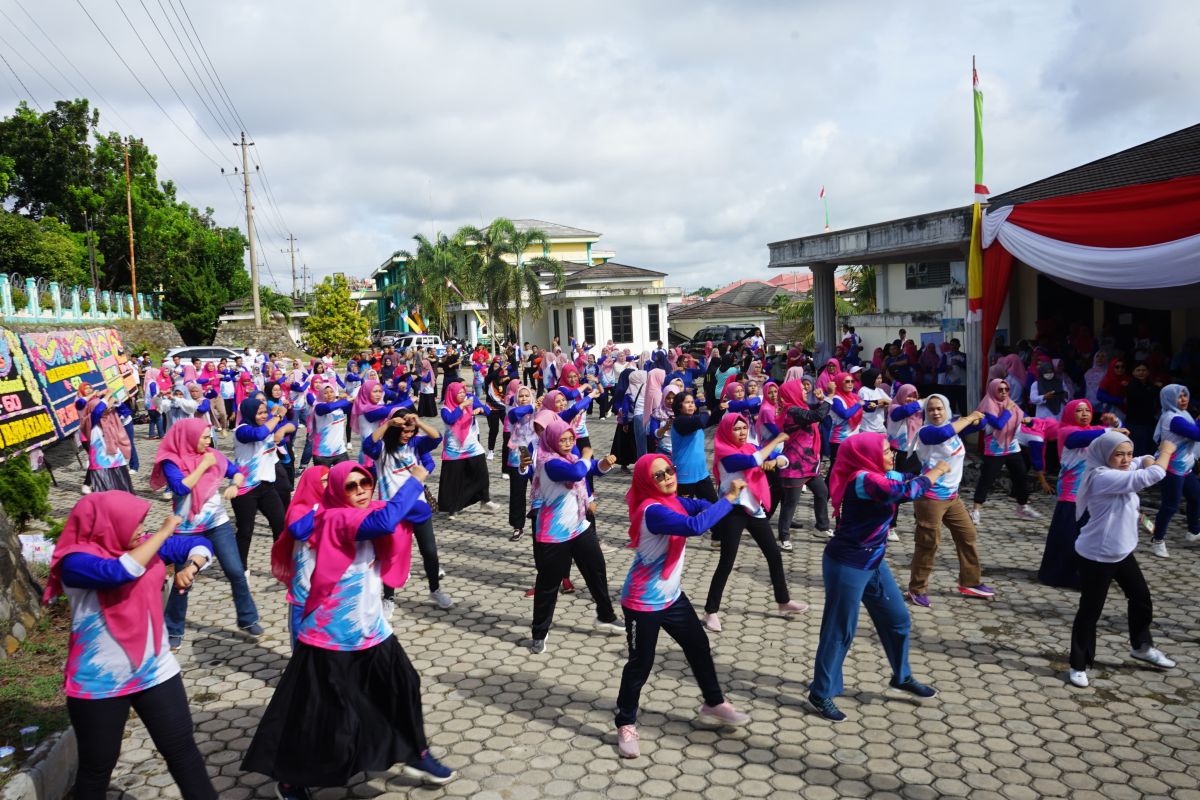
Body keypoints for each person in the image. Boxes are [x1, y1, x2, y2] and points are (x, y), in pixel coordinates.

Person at [242, 463, 454, 796]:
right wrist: (414, 480)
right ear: (337, 491)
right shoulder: (332, 518)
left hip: (372, 631)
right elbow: (387, 519)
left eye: (365, 484)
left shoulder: (367, 511)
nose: (359, 491)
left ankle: (416, 752)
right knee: (323, 715)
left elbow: (418, 510)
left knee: (404, 686)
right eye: (351, 486)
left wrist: (394, 496)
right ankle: (291, 779)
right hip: (330, 636)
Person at [47, 494, 217, 799]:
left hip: (156, 672)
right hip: (100, 683)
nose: (141, 527)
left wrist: (192, 566)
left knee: (182, 752)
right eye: (135, 521)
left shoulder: (145, 545)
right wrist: (164, 533)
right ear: (107, 523)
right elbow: (118, 573)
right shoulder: (75, 560)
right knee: (97, 769)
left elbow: (202, 544)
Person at [613, 453, 754, 757]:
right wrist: (727, 500)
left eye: (669, 471)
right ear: (645, 483)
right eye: (658, 476)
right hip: (642, 602)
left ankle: (714, 702)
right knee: (641, 664)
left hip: (672, 596)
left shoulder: (673, 500)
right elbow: (694, 526)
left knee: (699, 645)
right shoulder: (652, 510)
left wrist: (721, 505)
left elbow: (700, 508)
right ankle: (625, 722)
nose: (667, 478)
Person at [808, 433, 947, 722]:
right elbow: (903, 492)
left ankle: (902, 676)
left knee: (897, 619)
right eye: (885, 450)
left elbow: (907, 477)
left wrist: (932, 463)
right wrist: (934, 473)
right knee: (840, 630)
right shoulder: (863, 479)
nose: (891, 455)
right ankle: (820, 692)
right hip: (847, 564)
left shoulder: (881, 472)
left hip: (873, 561)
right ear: (866, 455)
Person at [1067, 432, 1177, 688]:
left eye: (1127, 453)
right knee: (1090, 611)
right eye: (1119, 454)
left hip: (1122, 551)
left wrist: (1149, 457)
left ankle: (1141, 646)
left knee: (1141, 598)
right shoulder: (1102, 476)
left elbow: (1144, 460)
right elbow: (1152, 474)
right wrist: (1167, 452)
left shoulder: (1121, 468)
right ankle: (1078, 664)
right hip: (1097, 555)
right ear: (1105, 455)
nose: (1126, 459)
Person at [150, 419, 262, 650]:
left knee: (235, 571)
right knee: (184, 583)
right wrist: (203, 465)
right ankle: (173, 629)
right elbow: (180, 487)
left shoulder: (213, 454)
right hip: (186, 530)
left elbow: (236, 472)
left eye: (209, 436)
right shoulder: (171, 461)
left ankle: (248, 618)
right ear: (189, 437)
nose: (208, 441)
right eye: (203, 437)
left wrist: (235, 485)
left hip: (217, 524)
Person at [525, 419, 622, 654]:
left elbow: (590, 469)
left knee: (596, 569)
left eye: (571, 439)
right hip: (554, 533)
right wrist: (587, 453)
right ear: (551, 440)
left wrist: (604, 464)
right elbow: (579, 470)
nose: (568, 444)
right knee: (548, 584)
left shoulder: (569, 457)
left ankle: (605, 615)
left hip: (579, 526)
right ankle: (539, 632)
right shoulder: (549, 463)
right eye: (563, 440)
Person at [702, 414, 806, 632]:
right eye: (736, 429)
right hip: (732, 511)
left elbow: (782, 459)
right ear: (726, 431)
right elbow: (754, 461)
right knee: (727, 561)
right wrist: (776, 441)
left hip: (753, 509)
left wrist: (777, 460)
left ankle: (783, 601)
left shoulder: (750, 447)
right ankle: (710, 611)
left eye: (743, 428)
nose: (741, 432)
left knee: (773, 555)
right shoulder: (725, 453)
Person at [905, 395, 994, 607]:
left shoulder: (954, 428)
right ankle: (916, 589)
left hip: (952, 497)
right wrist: (969, 416)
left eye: (939, 409)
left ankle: (969, 582)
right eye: (931, 409)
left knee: (967, 535)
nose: (936, 413)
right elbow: (944, 432)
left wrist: (976, 419)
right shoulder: (927, 432)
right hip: (930, 498)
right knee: (928, 544)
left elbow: (981, 423)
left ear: (946, 410)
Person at [363, 408, 453, 612]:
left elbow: (436, 437)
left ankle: (435, 589)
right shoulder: (382, 448)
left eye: (411, 431)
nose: (407, 435)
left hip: (418, 507)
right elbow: (368, 444)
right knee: (392, 554)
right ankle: (389, 598)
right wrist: (387, 425)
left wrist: (418, 423)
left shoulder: (415, 444)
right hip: (392, 510)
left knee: (430, 552)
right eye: (404, 431)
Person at [1038, 400, 1108, 588]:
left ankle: (1084, 574)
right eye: (1079, 411)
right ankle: (1062, 575)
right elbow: (1079, 440)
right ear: (1070, 414)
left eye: (1088, 410)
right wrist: (1110, 431)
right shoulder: (1067, 431)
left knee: (1089, 537)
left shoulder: (1095, 430)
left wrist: (1116, 424)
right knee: (1070, 538)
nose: (1084, 413)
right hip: (1072, 495)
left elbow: (1111, 434)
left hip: (1093, 495)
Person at [232, 398, 295, 570]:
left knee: (280, 525)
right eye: (259, 413)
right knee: (245, 531)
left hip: (266, 487)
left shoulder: (268, 427)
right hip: (244, 490)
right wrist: (276, 416)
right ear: (249, 413)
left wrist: (282, 428)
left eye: (264, 412)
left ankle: (282, 564)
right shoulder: (241, 430)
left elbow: (292, 426)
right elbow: (258, 435)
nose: (263, 416)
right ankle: (241, 570)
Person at [272, 466, 329, 649]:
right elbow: (299, 531)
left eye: (330, 480)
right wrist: (320, 509)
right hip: (302, 590)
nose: (329, 485)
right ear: (312, 483)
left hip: (327, 590)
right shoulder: (299, 508)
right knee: (300, 636)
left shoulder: (333, 507)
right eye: (324, 481)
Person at [970, 379, 1042, 524]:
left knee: (1021, 475)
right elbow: (998, 424)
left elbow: (1027, 418)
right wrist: (1008, 410)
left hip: (1012, 445)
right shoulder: (988, 404)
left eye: (1006, 390)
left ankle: (1022, 506)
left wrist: (1028, 420)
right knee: (987, 478)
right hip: (995, 447)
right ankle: (975, 510)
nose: (1004, 393)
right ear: (993, 390)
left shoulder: (1010, 403)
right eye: (1000, 390)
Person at [775, 379, 832, 546]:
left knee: (822, 493)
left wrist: (822, 400)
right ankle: (783, 537)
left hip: (809, 463)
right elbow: (817, 416)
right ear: (792, 392)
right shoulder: (791, 410)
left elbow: (815, 411)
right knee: (791, 503)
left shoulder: (800, 407)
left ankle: (821, 527)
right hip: (795, 465)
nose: (806, 390)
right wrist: (829, 398)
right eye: (801, 389)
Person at [1149, 384, 1200, 557]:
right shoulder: (1173, 418)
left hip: (1185, 467)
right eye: (1179, 396)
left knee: (1196, 497)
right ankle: (1157, 540)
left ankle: (1193, 531)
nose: (1184, 399)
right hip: (1171, 468)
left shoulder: (1183, 414)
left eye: (1185, 395)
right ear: (1169, 399)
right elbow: (1197, 434)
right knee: (1170, 506)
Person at [437, 381, 498, 518]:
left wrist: (481, 409)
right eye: (459, 392)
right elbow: (450, 419)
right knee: (454, 480)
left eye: (463, 391)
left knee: (481, 474)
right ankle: (453, 508)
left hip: (471, 446)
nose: (463, 394)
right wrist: (462, 406)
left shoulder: (469, 400)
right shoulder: (446, 408)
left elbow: (488, 410)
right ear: (452, 393)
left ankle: (485, 500)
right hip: (454, 449)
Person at [79, 388, 134, 493]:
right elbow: (97, 412)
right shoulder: (92, 420)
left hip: (116, 460)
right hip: (101, 464)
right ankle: (87, 485)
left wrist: (117, 401)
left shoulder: (110, 420)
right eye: (104, 407)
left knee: (123, 488)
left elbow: (126, 411)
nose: (107, 409)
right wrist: (107, 396)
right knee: (106, 491)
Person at [505, 385, 538, 541]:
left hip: (537, 456)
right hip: (518, 456)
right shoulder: (512, 412)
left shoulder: (537, 413)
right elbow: (516, 414)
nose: (524, 398)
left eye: (527, 396)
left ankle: (541, 523)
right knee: (517, 493)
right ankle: (518, 526)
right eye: (521, 396)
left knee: (540, 491)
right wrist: (532, 406)